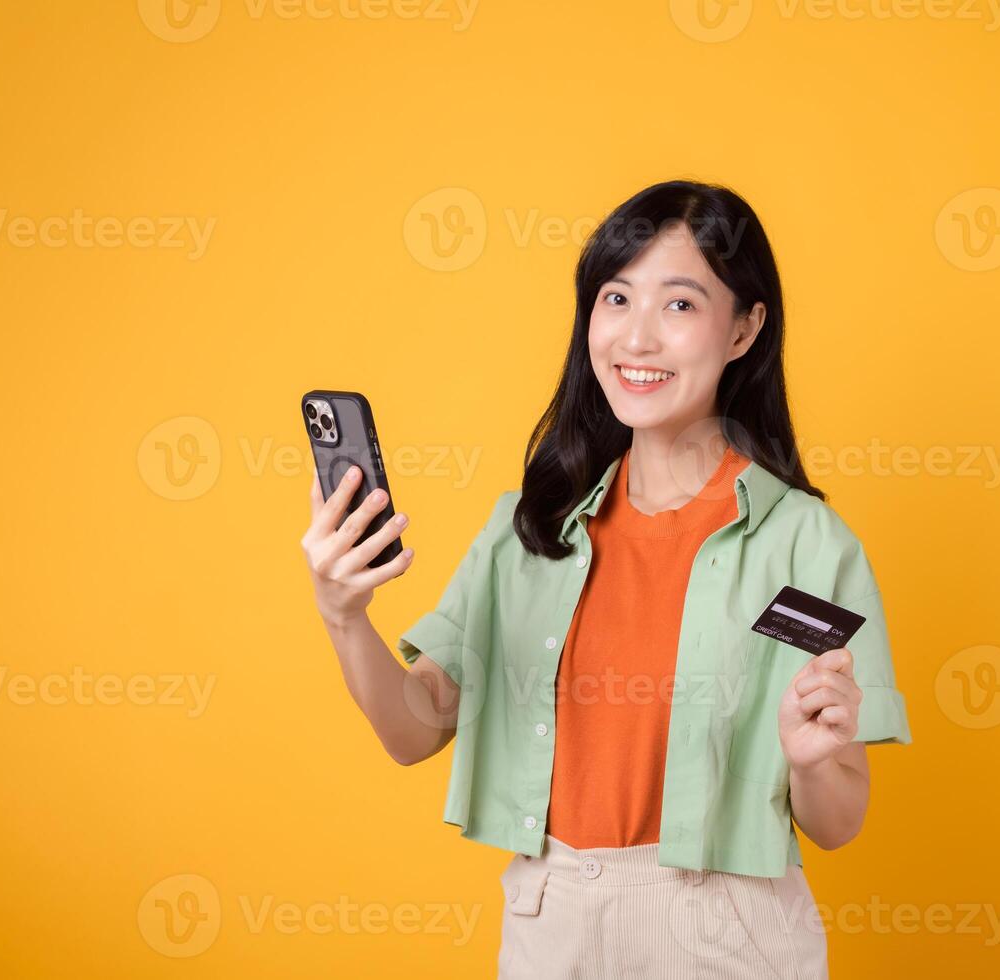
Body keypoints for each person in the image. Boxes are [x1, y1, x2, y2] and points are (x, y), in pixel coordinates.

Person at [302, 179, 913, 978]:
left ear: (744, 329)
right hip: (552, 925)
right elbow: (414, 728)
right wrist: (345, 615)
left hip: (727, 935)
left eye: (681, 305)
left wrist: (808, 761)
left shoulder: (804, 547)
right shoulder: (529, 529)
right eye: (616, 297)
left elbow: (837, 822)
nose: (638, 338)